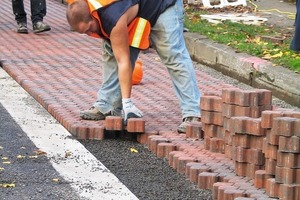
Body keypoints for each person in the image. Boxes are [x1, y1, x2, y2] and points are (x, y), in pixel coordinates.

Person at [66, 0, 201, 133]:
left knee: (173, 55)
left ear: (92, 14)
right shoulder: (91, 8)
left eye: (90, 29)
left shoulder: (112, 17)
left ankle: (193, 112)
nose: (91, 34)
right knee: (112, 52)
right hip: (135, 10)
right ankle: (107, 104)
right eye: (85, 33)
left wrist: (127, 103)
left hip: (163, 6)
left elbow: (123, 62)